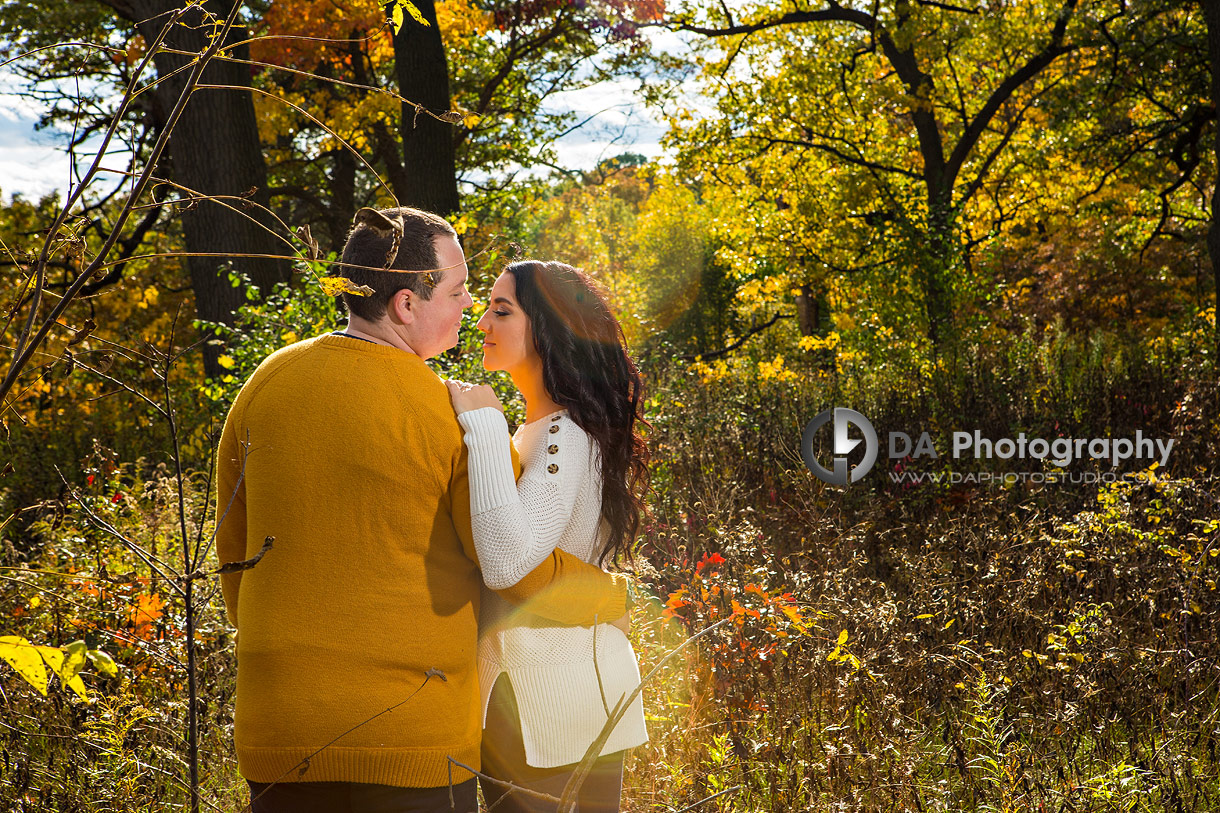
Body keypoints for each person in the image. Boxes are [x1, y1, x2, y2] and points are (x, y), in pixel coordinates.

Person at [213, 209, 632, 813]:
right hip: (415, 739)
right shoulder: (451, 416)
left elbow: (234, 557)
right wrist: (610, 596)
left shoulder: (265, 382)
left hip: (280, 725)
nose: (470, 308)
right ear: (407, 305)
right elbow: (516, 568)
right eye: (461, 291)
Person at [445, 260, 651, 812]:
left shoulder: (563, 435)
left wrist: (485, 430)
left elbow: (508, 563)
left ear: (549, 328)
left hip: (547, 701)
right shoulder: (552, 430)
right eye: (486, 306)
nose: (482, 322)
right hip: (563, 691)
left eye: (502, 310)